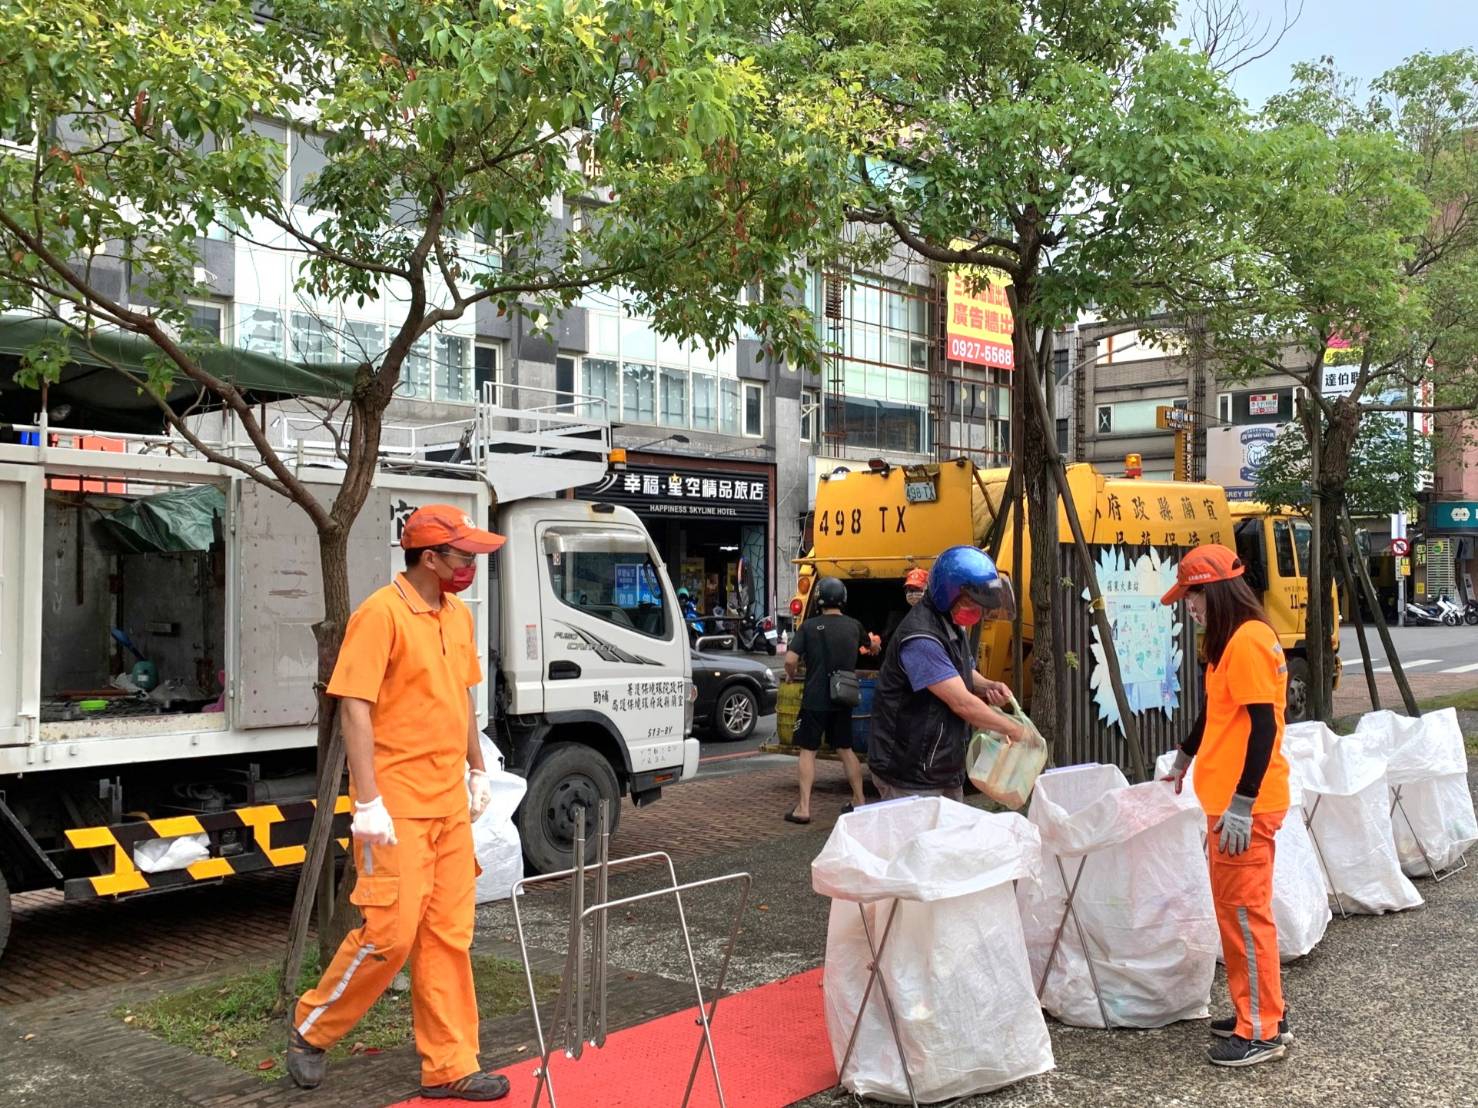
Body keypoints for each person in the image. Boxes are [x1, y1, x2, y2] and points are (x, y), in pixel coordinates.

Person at [287, 505, 510, 1102]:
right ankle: (312, 1027)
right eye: (463, 556)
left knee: (447, 937)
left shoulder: (455, 615)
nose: (471, 565)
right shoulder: (380, 614)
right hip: (396, 807)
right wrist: (368, 801)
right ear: (430, 558)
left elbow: (461, 697)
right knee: (389, 934)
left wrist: (477, 769)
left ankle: (451, 1065)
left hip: (447, 804)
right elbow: (354, 707)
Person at [1159, 543, 1292, 1068]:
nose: (1188, 607)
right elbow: (1219, 712)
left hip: (1246, 809)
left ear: (1212, 591)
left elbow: (1264, 726)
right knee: (1238, 913)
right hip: (1233, 802)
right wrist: (1184, 757)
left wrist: (1242, 802)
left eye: (1191, 597)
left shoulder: (1249, 643)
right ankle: (1257, 1012)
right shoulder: (1232, 642)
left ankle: (1259, 1029)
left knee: (1243, 915)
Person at [867, 546, 1025, 802]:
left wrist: (987, 685)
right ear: (949, 593)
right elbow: (962, 703)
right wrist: (1015, 730)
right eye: (973, 602)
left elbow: (960, 670)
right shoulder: (921, 639)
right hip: (910, 769)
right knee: (918, 841)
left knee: (948, 841)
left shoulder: (951, 625)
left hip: (939, 765)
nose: (979, 612)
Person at [782, 577, 878, 823]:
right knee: (846, 750)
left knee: (808, 751)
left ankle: (803, 808)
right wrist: (874, 644)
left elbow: (790, 659)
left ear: (819, 600)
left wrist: (791, 676)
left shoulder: (809, 627)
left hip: (815, 697)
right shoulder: (854, 626)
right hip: (843, 696)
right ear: (843, 598)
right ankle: (859, 800)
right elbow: (872, 648)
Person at [879, 567, 929, 646]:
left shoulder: (936, 615)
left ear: (928, 589)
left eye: (917, 589)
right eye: (909, 590)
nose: (912, 594)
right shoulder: (906, 618)